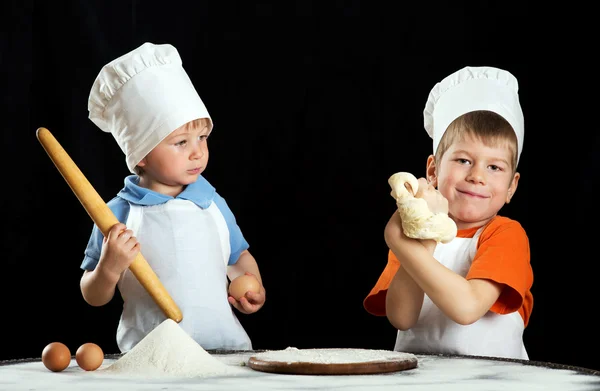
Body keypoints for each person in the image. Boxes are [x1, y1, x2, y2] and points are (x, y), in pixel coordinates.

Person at [81, 42, 266, 353]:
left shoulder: (212, 203)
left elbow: (238, 258)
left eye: (202, 137)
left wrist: (253, 287)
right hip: (150, 358)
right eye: (181, 142)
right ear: (140, 154)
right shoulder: (116, 214)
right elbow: (92, 295)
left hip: (225, 351)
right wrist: (109, 268)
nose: (198, 151)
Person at [363, 66, 533, 360]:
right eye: (464, 160)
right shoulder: (414, 235)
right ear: (432, 171)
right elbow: (402, 318)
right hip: (420, 379)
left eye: (494, 167)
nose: (477, 176)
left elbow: (467, 308)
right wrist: (424, 238)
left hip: (493, 382)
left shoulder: (505, 235)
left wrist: (402, 244)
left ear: (511, 187)